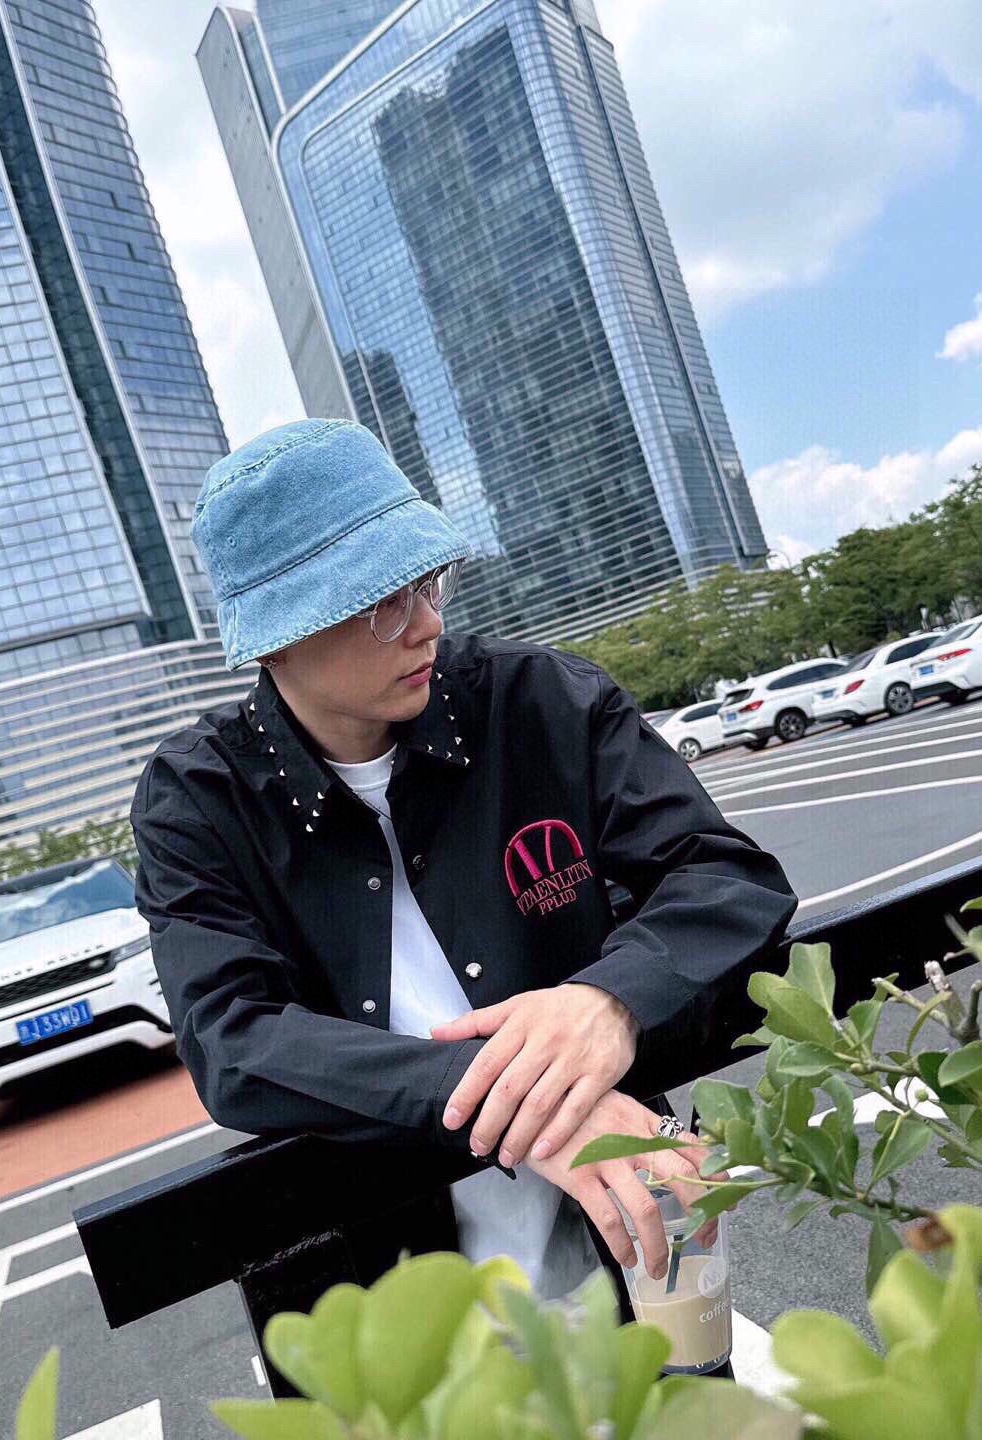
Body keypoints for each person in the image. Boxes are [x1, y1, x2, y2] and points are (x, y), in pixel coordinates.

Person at [130, 417, 798, 1303]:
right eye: (384, 603)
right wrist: (514, 1096)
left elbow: (725, 875)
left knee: (689, 1380)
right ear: (276, 635)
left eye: (429, 583)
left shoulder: (542, 702)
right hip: (399, 1287)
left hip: (634, 1214)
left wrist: (608, 1001)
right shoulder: (199, 798)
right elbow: (233, 1041)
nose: (428, 624)